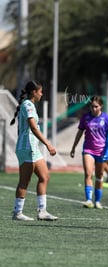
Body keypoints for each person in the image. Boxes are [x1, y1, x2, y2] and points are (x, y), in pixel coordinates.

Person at [10, 80, 58, 221]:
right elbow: (33, 127)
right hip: (26, 147)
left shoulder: (30, 105)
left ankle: (42, 211)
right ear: (34, 92)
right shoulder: (27, 105)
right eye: (40, 91)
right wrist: (48, 144)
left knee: (45, 177)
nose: (42, 94)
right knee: (24, 181)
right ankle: (17, 213)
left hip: (33, 148)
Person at [70, 96, 108, 209]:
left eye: (96, 106)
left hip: (102, 150)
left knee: (99, 176)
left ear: (101, 106)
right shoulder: (85, 117)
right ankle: (88, 200)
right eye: (92, 106)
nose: (94, 109)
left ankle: (98, 201)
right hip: (88, 150)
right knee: (88, 173)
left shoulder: (106, 118)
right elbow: (80, 133)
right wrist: (74, 147)